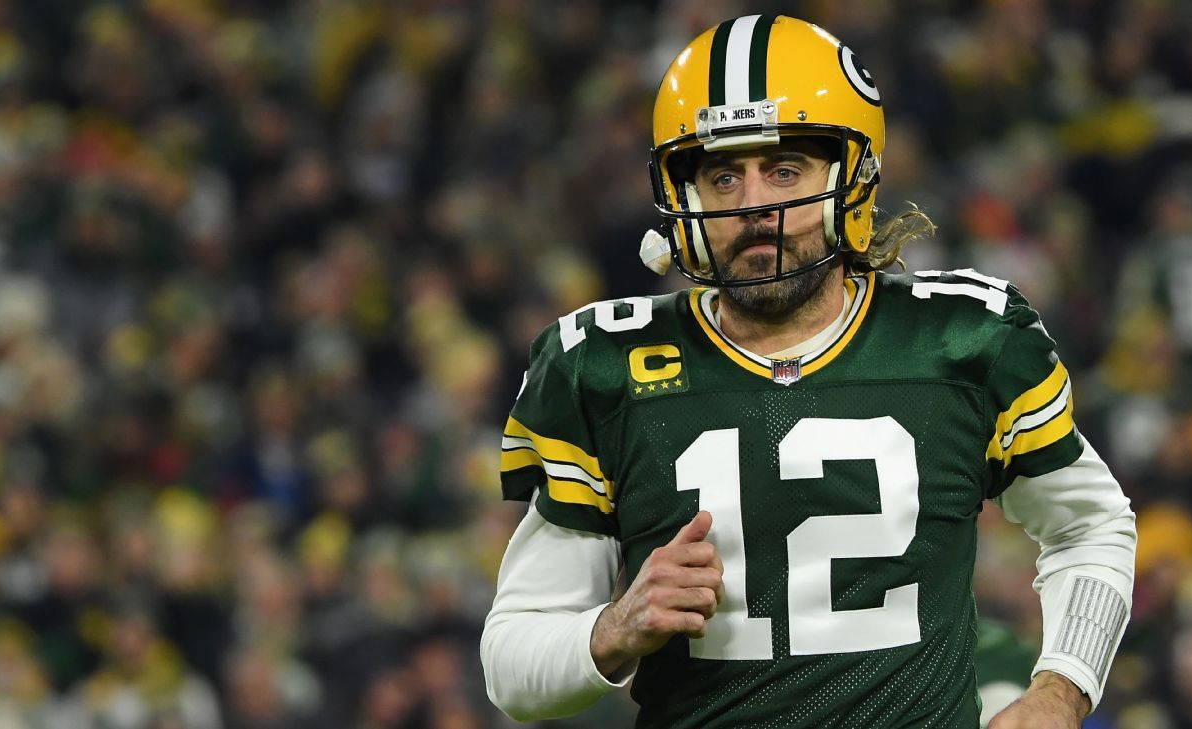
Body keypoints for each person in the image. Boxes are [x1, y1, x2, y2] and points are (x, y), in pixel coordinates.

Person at [481, 14, 1136, 729]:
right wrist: (610, 629)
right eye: (724, 175)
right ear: (685, 195)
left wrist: (1062, 685)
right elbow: (513, 665)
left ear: (850, 179)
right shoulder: (603, 369)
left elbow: (1090, 526)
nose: (756, 205)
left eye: (785, 169)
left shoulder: (962, 338)